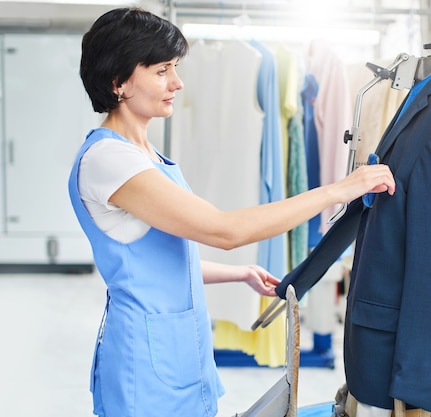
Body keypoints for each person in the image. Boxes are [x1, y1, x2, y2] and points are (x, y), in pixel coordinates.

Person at [68, 7, 395, 417]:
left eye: (175, 67)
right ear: (118, 82)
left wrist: (238, 273)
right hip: (145, 365)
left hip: (176, 350)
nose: (177, 82)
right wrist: (338, 190)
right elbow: (225, 231)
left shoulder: (144, 155)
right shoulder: (110, 161)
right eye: (161, 70)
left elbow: (156, 261)